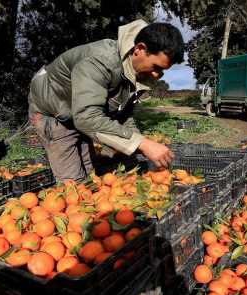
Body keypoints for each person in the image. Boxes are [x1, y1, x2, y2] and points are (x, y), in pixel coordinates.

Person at [27, 20, 185, 182]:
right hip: (53, 112)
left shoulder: (135, 72)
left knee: (89, 174)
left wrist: (139, 143)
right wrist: (142, 144)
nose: (157, 75)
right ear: (139, 49)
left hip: (81, 113)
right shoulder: (99, 62)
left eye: (163, 71)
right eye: (156, 67)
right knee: (73, 183)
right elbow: (87, 117)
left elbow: (122, 115)